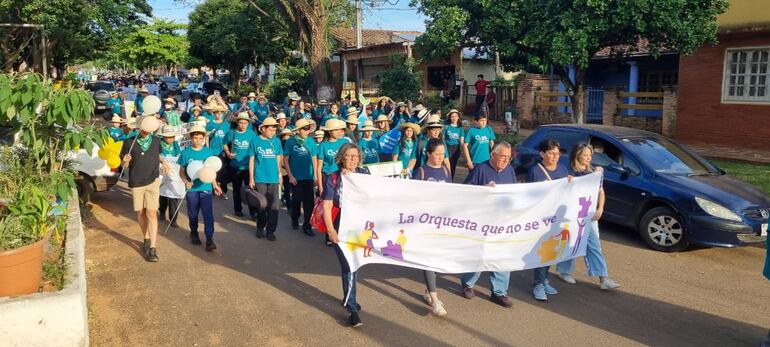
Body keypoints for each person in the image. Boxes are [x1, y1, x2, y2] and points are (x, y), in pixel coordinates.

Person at [554, 143, 621, 290]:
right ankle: (564, 271)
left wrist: (600, 208)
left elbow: (600, 192)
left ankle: (603, 278)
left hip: (589, 214)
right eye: (585, 155)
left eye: (590, 155)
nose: (588, 158)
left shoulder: (594, 172)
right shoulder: (570, 172)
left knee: (594, 245)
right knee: (571, 242)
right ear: (578, 155)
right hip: (573, 214)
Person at [460, 142, 518, 307]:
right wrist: (482, 190)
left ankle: (499, 292)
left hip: (503, 223)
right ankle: (468, 284)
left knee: (502, 256)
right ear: (493, 155)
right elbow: (465, 191)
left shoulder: (510, 171)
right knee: (479, 254)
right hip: (483, 222)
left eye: (508, 157)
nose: (506, 160)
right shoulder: (480, 169)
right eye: (503, 157)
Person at [322, 143, 370, 328]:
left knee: (354, 266)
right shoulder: (333, 178)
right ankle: (352, 309)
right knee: (349, 266)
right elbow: (327, 206)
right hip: (340, 224)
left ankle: (349, 297)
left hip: (360, 225)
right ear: (341, 157)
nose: (353, 159)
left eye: (355, 156)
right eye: (349, 156)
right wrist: (331, 230)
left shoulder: (364, 175)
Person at [120, 116, 172, 262]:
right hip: (137, 182)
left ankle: (153, 248)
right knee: (140, 213)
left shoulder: (156, 141)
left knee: (152, 213)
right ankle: (146, 238)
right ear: (138, 127)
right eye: (143, 127)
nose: (145, 130)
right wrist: (125, 162)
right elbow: (125, 166)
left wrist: (164, 163)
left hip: (153, 181)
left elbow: (159, 154)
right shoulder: (129, 143)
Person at [528, 139, 573, 301]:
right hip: (542, 219)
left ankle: (544, 279)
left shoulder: (562, 169)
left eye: (557, 153)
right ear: (542, 154)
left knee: (553, 251)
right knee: (543, 251)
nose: (555, 156)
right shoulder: (535, 171)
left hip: (557, 219)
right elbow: (529, 195)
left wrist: (569, 183)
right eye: (551, 153)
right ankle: (538, 284)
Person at [413, 138, 451, 316]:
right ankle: (435, 300)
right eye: (437, 154)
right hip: (426, 224)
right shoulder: (420, 172)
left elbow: (454, 194)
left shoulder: (445, 170)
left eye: (443, 154)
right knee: (428, 259)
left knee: (436, 260)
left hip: (442, 223)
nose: (440, 157)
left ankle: (429, 292)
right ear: (428, 154)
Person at [179, 125, 223, 251]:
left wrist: (215, 185)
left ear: (204, 138)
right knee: (193, 214)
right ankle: (194, 233)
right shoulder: (186, 153)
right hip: (192, 188)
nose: (197, 140)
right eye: (195, 138)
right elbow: (181, 171)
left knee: (208, 214)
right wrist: (185, 181)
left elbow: (211, 171)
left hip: (206, 187)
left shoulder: (208, 152)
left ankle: (209, 239)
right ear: (191, 138)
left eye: (200, 138)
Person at [249, 117, 283, 241]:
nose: (273, 132)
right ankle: (260, 227)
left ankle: (271, 230)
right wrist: (251, 178)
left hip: (274, 178)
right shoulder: (255, 141)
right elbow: (252, 160)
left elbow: (279, 158)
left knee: (274, 206)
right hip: (260, 177)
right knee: (262, 204)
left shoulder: (277, 141)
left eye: (274, 129)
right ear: (263, 129)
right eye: (270, 129)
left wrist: (279, 174)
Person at [283, 118, 318, 236]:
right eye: (305, 128)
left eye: (308, 128)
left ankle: (307, 226)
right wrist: (290, 176)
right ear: (298, 130)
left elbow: (314, 158)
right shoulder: (290, 141)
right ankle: (294, 218)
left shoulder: (311, 141)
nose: (307, 131)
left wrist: (316, 176)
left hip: (308, 176)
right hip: (295, 177)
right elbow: (286, 160)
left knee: (309, 202)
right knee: (296, 200)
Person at [223, 113, 258, 218]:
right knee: (236, 189)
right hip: (235, 166)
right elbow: (224, 143)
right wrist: (228, 153)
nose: (243, 125)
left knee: (250, 190)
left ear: (248, 123)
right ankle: (238, 209)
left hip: (248, 167)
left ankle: (253, 212)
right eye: (241, 122)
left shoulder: (252, 134)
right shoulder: (231, 133)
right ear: (237, 122)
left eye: (245, 123)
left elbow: (256, 147)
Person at [158, 126, 183, 228]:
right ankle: (162, 212)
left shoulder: (176, 144)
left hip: (174, 173)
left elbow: (179, 155)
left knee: (173, 196)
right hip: (162, 171)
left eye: (172, 137)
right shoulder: (158, 143)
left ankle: (173, 219)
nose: (170, 139)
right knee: (163, 195)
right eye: (167, 137)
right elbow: (157, 154)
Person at [206, 104, 231, 199]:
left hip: (223, 151)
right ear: (214, 113)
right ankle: (214, 188)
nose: (219, 114)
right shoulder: (210, 124)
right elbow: (206, 136)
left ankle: (224, 191)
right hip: (213, 151)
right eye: (217, 112)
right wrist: (208, 148)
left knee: (223, 172)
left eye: (221, 112)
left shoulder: (226, 124)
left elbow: (229, 138)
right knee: (213, 171)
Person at [444, 109, 465, 180]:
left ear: (458, 117)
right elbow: (442, 137)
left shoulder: (460, 128)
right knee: (446, 164)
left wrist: (463, 150)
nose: (454, 118)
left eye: (456, 116)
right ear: (450, 117)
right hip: (447, 147)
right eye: (452, 116)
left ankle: (450, 179)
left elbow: (462, 140)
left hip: (456, 148)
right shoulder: (446, 126)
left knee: (453, 165)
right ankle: (444, 178)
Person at [278, 128, 294, 207]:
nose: (287, 137)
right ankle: (289, 205)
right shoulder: (283, 144)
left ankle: (287, 201)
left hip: (286, 167)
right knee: (287, 187)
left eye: (289, 135)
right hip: (284, 168)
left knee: (287, 187)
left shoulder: (282, 144)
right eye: (286, 135)